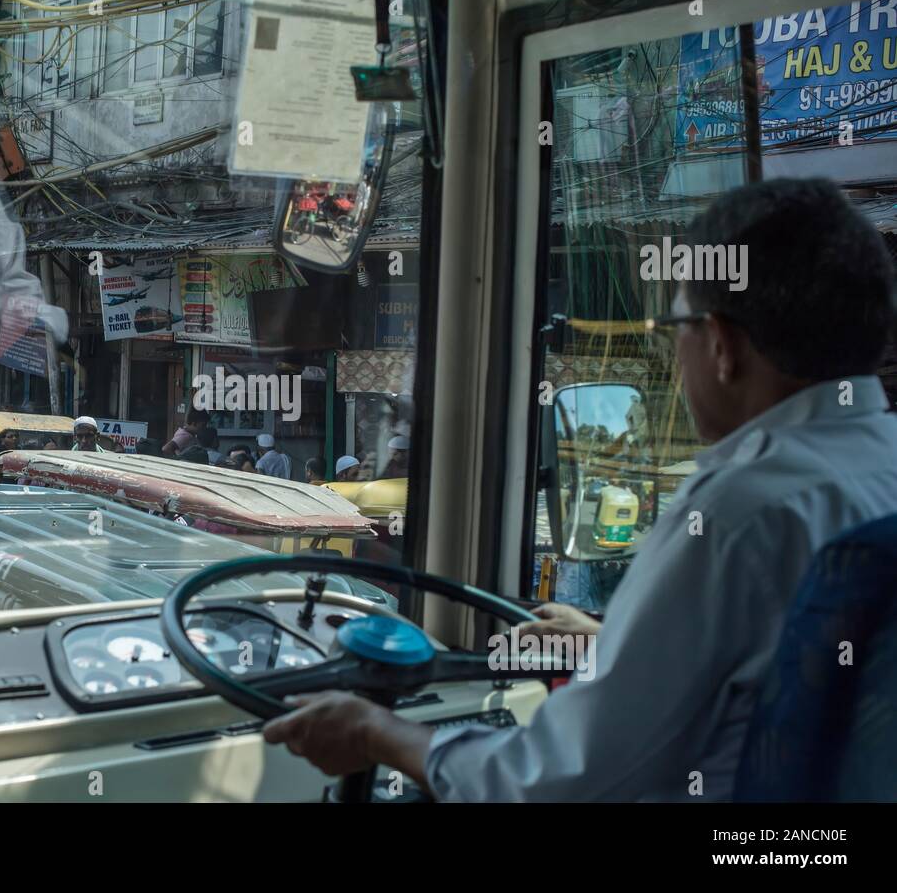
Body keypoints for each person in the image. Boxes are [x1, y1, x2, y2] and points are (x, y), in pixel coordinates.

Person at [262, 178, 897, 802]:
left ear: (724, 346)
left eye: (675, 328)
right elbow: (783, 665)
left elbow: (562, 778)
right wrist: (609, 640)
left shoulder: (738, 511)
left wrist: (380, 734)